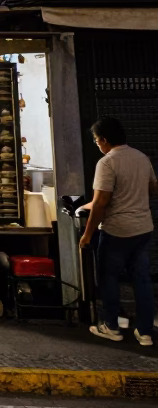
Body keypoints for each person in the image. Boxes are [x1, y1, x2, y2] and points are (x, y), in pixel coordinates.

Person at [80, 116, 157, 345]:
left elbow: (101, 202)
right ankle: (144, 333)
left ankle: (111, 326)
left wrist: (87, 234)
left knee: (109, 278)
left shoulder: (107, 162)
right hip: (143, 228)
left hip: (117, 230)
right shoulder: (141, 158)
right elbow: (153, 188)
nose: (97, 144)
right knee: (142, 280)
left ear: (104, 139)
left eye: (96, 140)